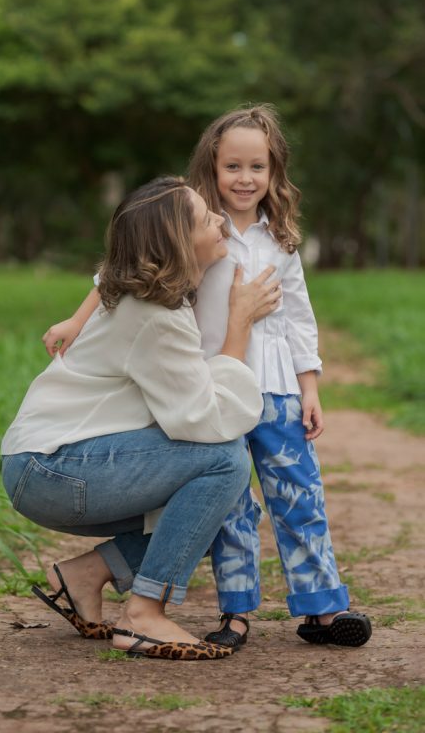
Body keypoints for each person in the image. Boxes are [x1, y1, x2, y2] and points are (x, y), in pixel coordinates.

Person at [45, 106, 372, 650]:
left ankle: (321, 606)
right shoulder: (195, 227)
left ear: (275, 172)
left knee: (299, 495)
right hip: (215, 387)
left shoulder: (282, 240)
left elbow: (298, 318)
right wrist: (77, 322)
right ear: (212, 168)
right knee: (233, 505)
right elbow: (121, 268)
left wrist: (310, 385)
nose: (245, 179)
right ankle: (236, 611)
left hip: (278, 391)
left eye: (257, 168)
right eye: (232, 167)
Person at [2, 176, 282, 660]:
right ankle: (144, 614)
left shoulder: (146, 295)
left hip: (47, 465)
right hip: (52, 468)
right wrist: (238, 324)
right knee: (224, 465)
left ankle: (85, 575)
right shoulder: (154, 314)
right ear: (176, 242)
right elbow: (207, 421)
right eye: (203, 219)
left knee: (207, 497)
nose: (218, 219)